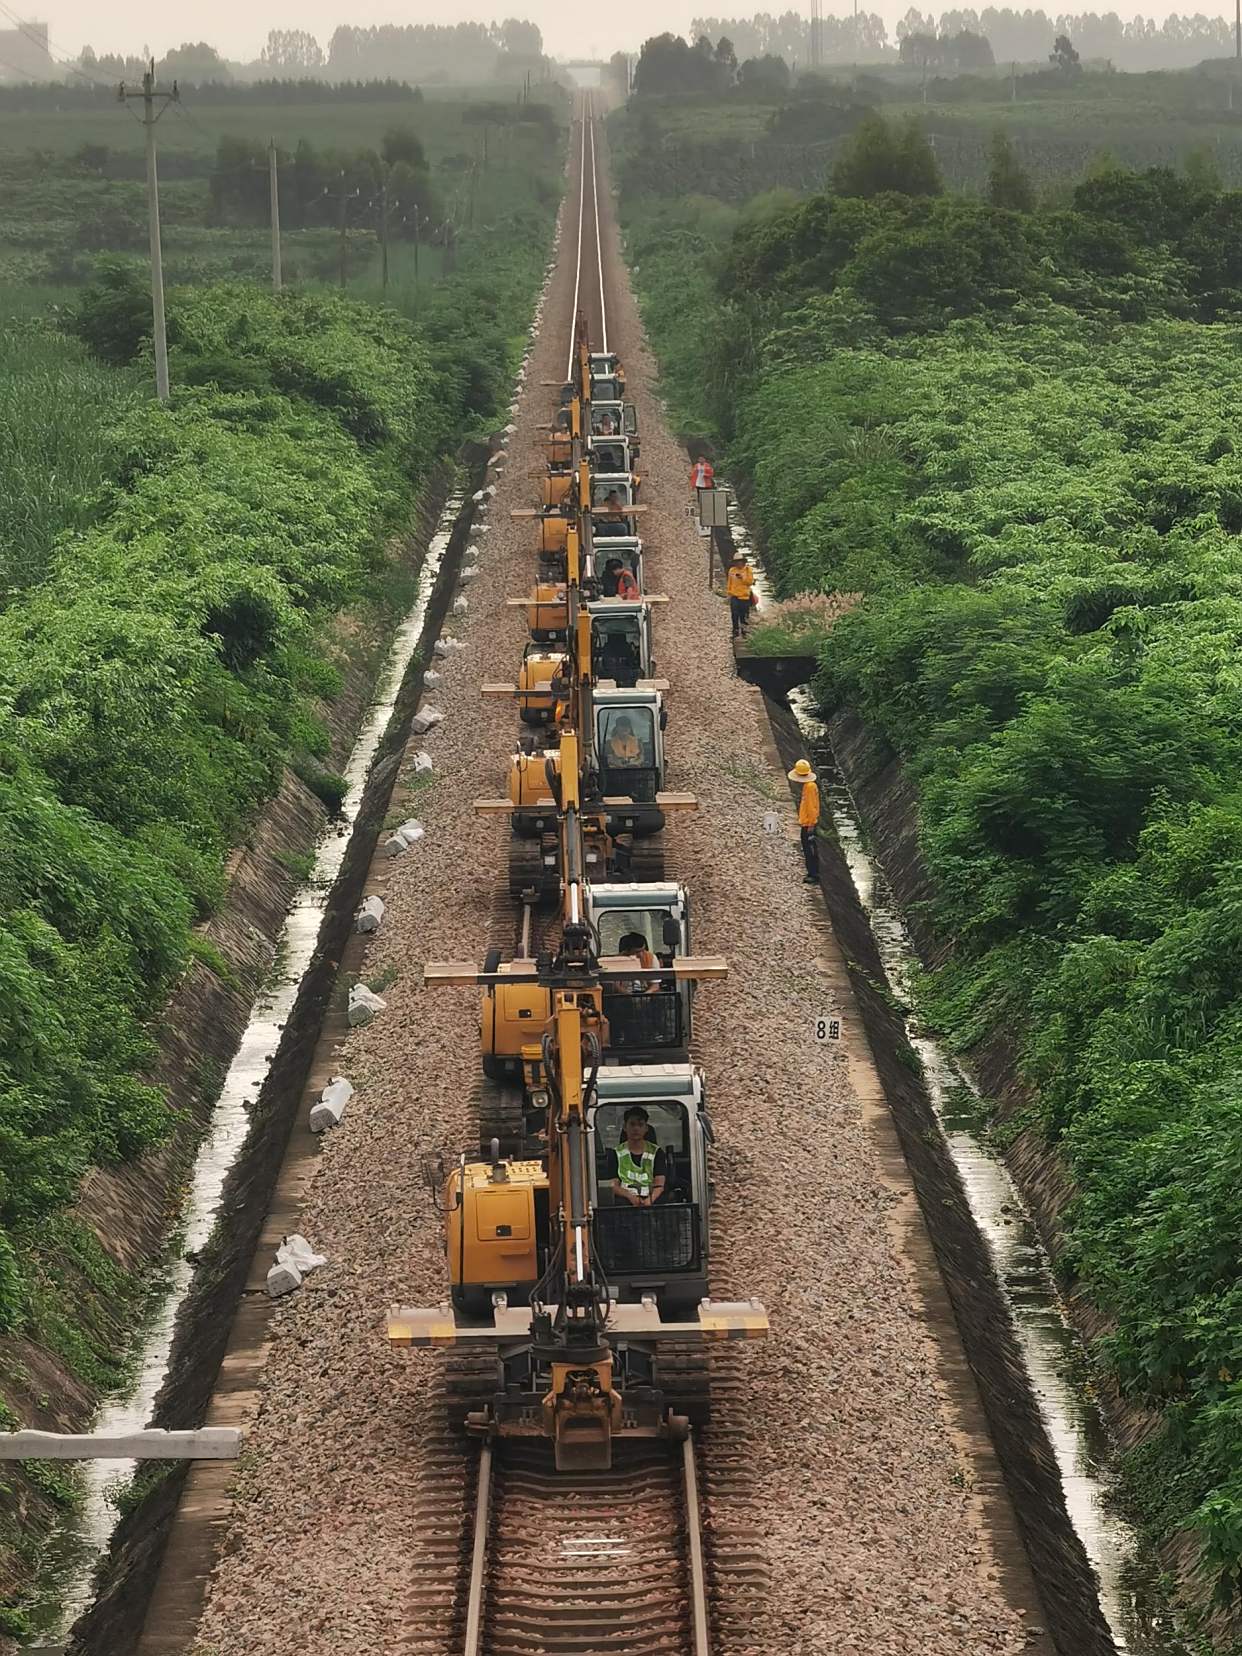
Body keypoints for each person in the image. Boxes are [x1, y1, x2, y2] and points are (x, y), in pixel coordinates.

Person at [604, 1107, 668, 1207]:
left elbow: (659, 1185)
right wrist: (630, 1197)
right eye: (632, 1124)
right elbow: (613, 1185)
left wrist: (649, 1201)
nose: (636, 1128)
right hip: (625, 1203)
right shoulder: (615, 1153)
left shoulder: (657, 1152)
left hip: (652, 1202)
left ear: (646, 1128)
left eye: (640, 1125)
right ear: (625, 1127)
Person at [789, 758, 820, 884]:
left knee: (810, 849)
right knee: (808, 848)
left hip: (808, 824)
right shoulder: (809, 786)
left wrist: (811, 823)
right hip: (807, 822)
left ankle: (813, 874)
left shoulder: (810, 787)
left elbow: (812, 807)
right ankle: (812, 872)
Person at [726, 551, 755, 638]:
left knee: (744, 614)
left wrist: (742, 578)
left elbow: (750, 582)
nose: (738, 563)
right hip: (734, 596)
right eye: (736, 562)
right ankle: (735, 631)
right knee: (734, 614)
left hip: (744, 596)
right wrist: (729, 593)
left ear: (743, 562)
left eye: (739, 561)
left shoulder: (748, 570)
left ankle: (744, 631)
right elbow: (729, 583)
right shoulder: (732, 570)